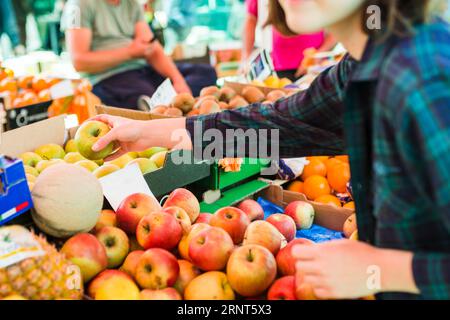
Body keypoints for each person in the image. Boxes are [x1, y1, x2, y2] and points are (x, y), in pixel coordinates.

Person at [90, 0, 450, 300]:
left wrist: (379, 271)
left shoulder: (421, 78)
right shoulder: (361, 69)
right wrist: (147, 132)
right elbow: (274, 126)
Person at [62, 0, 217, 109]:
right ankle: (159, 106)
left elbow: (152, 47)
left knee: (206, 73)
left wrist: (178, 81)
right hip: (109, 76)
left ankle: (166, 103)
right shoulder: (80, 4)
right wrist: (129, 52)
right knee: (148, 96)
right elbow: (79, 61)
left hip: (142, 69)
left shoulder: (131, 4)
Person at [243, 0, 336, 80]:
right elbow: (251, 20)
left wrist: (317, 55)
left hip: (314, 68)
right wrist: (246, 58)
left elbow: (336, 29)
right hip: (277, 67)